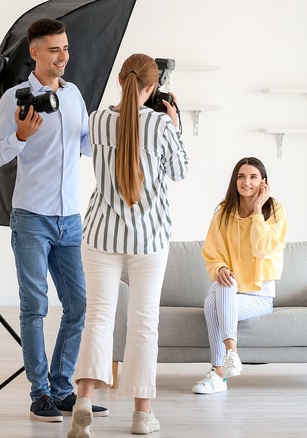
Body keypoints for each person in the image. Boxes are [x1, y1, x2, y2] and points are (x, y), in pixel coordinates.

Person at [0, 18, 106, 422]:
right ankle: (40, 394)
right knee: (34, 306)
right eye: (54, 50)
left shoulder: (73, 96)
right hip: (32, 219)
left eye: (66, 49)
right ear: (35, 52)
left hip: (71, 219)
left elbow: (88, 145)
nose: (63, 57)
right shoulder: (16, 98)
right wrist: (19, 136)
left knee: (78, 305)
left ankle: (61, 387)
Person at [67, 53, 188, 438]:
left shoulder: (98, 119)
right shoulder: (160, 126)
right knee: (143, 325)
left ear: (121, 80)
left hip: (101, 235)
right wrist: (174, 124)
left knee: (98, 320)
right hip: (148, 239)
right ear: (153, 88)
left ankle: (83, 401)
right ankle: (141, 415)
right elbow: (179, 172)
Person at [192, 157, 287, 395]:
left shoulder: (274, 211)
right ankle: (230, 355)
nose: (247, 182)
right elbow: (212, 252)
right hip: (231, 289)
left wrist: (257, 211)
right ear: (235, 180)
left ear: (263, 182)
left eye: (253, 177)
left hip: (258, 297)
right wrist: (220, 268)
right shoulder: (223, 212)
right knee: (224, 283)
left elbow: (264, 249)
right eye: (241, 176)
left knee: (212, 301)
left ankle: (219, 373)